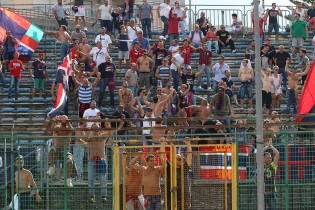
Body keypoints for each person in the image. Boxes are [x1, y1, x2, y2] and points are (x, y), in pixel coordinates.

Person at [85, 119, 125, 203]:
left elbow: (110, 133)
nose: (95, 130)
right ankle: (91, 196)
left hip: (101, 160)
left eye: (96, 128)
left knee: (102, 179)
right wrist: (90, 131)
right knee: (90, 179)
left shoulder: (102, 136)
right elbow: (85, 138)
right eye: (93, 128)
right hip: (92, 159)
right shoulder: (90, 137)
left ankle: (104, 196)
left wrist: (115, 124)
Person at [130, 143, 166, 210]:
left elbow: (165, 165)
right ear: (147, 161)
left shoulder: (157, 169)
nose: (153, 162)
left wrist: (160, 156)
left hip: (157, 196)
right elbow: (131, 164)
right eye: (151, 161)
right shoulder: (143, 169)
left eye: (153, 160)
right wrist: (138, 156)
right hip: (148, 196)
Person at [46, 115, 74, 187]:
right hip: (57, 148)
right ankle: (52, 168)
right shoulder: (57, 127)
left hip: (65, 150)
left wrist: (67, 121)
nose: (63, 120)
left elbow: (70, 128)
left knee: (70, 161)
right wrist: (56, 122)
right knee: (52, 149)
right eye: (62, 119)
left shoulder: (69, 129)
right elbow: (52, 130)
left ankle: (68, 180)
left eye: (65, 119)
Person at [263, 142, 279, 210]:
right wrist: (266, 147)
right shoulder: (261, 166)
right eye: (267, 158)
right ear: (263, 159)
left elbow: (277, 154)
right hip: (262, 192)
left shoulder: (273, 166)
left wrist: (271, 146)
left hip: (271, 192)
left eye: (270, 158)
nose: (270, 159)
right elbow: (258, 153)